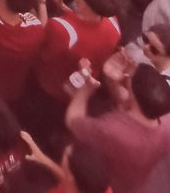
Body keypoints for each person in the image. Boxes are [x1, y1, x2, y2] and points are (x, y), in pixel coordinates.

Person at [66, 61, 170, 193]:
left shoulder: (111, 130)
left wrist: (86, 90)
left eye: (129, 78)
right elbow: (132, 104)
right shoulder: (165, 124)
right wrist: (111, 80)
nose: (126, 77)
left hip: (110, 186)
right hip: (133, 182)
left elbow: (72, 120)